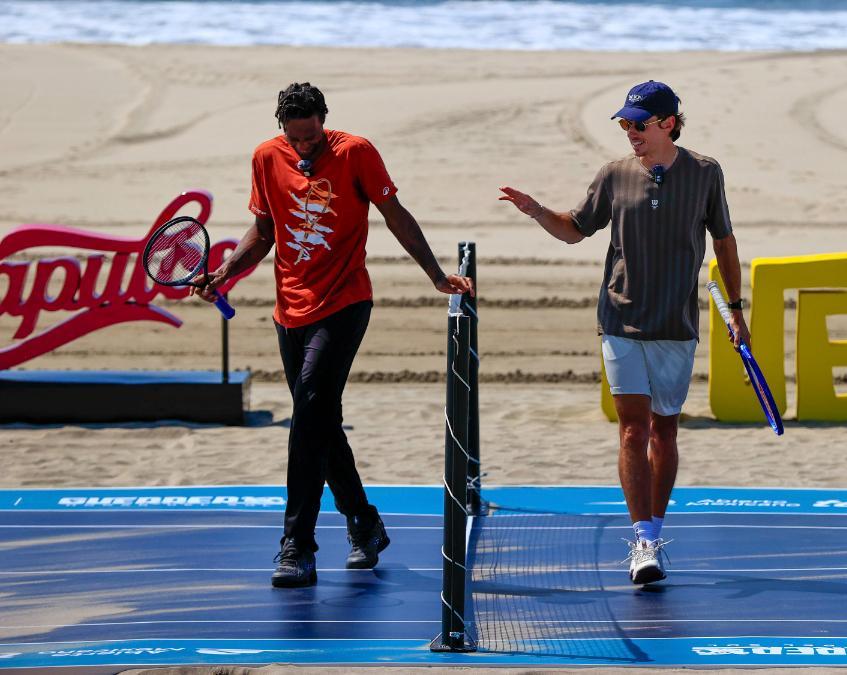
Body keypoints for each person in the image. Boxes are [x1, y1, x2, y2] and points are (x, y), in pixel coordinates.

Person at [197, 82, 473, 588]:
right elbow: (262, 231)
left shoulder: (356, 153)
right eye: (295, 137)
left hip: (345, 302)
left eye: (312, 135)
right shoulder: (265, 157)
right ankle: (364, 523)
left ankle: (297, 545)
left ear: (324, 120)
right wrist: (224, 273)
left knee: (307, 417)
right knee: (318, 421)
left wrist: (435, 274)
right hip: (289, 309)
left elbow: (396, 216)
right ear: (281, 127)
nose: (305, 145)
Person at [498, 80, 748, 585]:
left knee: (665, 429)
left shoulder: (705, 173)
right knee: (632, 428)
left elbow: (724, 241)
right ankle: (644, 542)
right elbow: (574, 228)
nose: (629, 132)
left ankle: (655, 528)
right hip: (619, 319)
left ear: (668, 124)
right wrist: (537, 211)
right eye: (625, 124)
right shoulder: (613, 176)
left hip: (675, 324)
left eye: (639, 124)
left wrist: (737, 310)